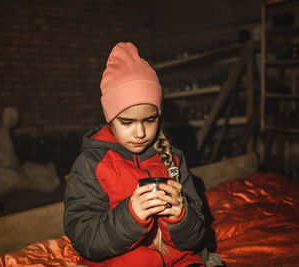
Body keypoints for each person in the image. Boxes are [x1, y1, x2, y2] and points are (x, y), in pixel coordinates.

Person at [64, 42, 224, 267]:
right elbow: (84, 238)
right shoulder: (90, 165)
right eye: (127, 122)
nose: (140, 133)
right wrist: (130, 215)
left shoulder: (174, 159)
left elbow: (196, 237)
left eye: (150, 120)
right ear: (110, 119)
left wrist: (180, 216)